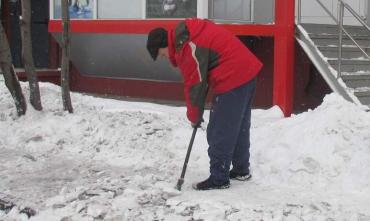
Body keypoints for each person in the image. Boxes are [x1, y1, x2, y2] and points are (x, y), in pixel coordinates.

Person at [146, 18, 263, 190]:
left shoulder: (186, 47)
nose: (165, 58)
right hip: (246, 71)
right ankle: (240, 169)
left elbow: (195, 85)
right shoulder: (190, 31)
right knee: (238, 126)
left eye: (162, 54)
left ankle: (219, 178)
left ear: (163, 45)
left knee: (219, 130)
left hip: (232, 77)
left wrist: (194, 116)